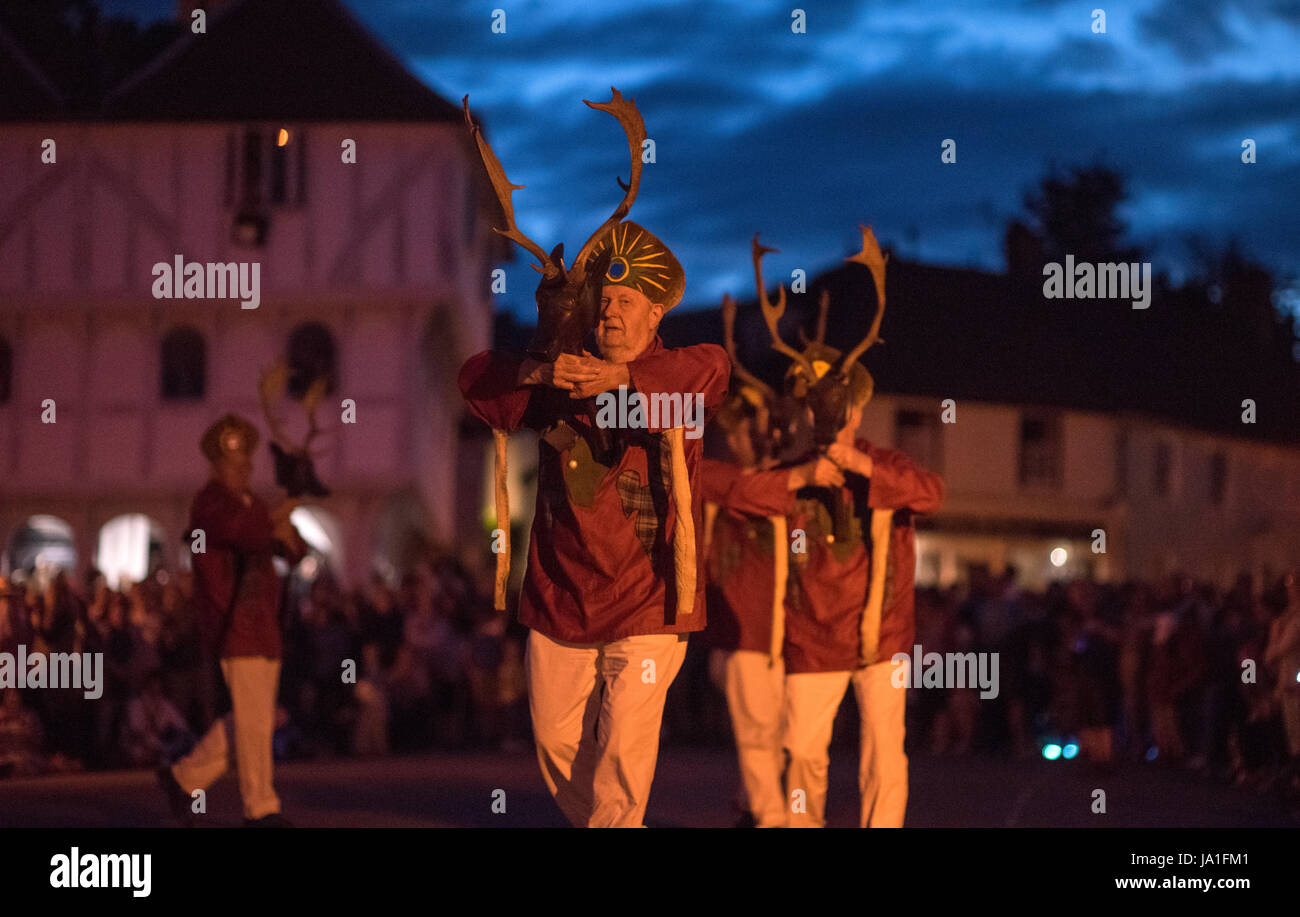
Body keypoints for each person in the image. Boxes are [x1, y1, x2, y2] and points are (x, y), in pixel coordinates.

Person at [459, 221, 728, 827]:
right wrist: (538, 369)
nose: (609, 313)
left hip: (649, 600)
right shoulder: (561, 374)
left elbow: (713, 373)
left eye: (625, 302)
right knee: (556, 743)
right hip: (561, 597)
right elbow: (475, 382)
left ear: (656, 314)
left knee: (620, 757)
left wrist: (623, 379)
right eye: (603, 302)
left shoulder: (676, 379)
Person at [780, 394, 944, 828]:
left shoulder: (885, 461)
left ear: (857, 410)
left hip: (881, 634)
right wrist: (798, 477)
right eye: (815, 409)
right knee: (799, 749)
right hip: (812, 634)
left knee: (884, 751)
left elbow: (931, 494)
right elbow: (752, 499)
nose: (825, 417)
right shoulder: (795, 468)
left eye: (836, 408)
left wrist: (860, 466)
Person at [158, 413, 306, 827]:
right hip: (234, 622)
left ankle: (183, 777)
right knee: (255, 721)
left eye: (246, 464)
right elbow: (244, 532)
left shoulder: (254, 504)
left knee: (251, 718)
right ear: (217, 466)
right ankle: (260, 808)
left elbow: (294, 550)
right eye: (233, 464)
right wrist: (283, 509)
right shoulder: (210, 503)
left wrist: (290, 510)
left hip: (263, 625)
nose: (243, 470)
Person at [700, 392, 839, 827]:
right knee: (760, 737)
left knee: (785, 739)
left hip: (784, 635)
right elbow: (751, 492)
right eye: (740, 431)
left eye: (754, 429)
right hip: (743, 635)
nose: (749, 439)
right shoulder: (718, 479)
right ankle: (770, 818)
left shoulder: (780, 481)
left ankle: (757, 810)